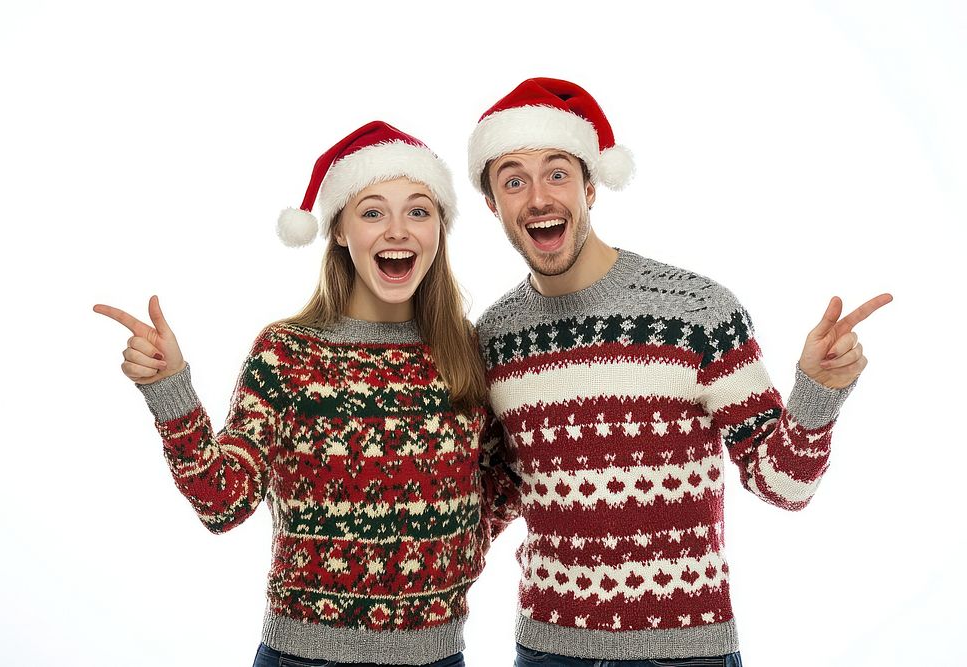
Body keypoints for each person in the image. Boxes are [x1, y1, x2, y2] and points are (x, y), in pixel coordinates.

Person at [467, 78, 892, 666]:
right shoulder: (492, 338)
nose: (538, 197)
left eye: (558, 172)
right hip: (546, 651)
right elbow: (489, 506)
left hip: (687, 653)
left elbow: (785, 485)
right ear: (493, 204)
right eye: (513, 180)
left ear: (591, 184)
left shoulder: (695, 312)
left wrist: (817, 393)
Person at [93, 120, 517, 667]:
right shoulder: (288, 352)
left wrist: (460, 550)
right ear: (339, 231)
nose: (397, 230)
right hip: (303, 657)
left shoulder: (465, 353)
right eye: (371, 212)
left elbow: (503, 480)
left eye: (418, 210)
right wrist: (169, 389)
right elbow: (223, 503)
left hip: (437, 656)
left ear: (440, 227)